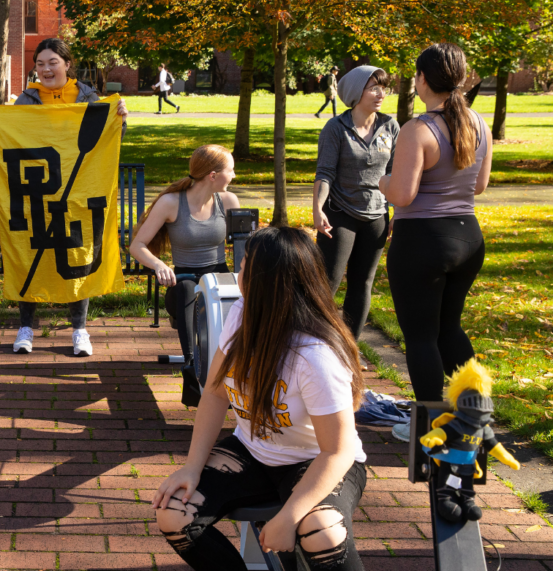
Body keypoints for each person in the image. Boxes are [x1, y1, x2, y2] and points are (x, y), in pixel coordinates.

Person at [152, 226, 367, 571]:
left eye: (245, 266)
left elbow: (337, 451)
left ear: (268, 282)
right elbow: (215, 392)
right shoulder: (242, 313)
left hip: (315, 462)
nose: (238, 273)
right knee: (174, 511)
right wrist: (191, 468)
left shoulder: (317, 356)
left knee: (322, 532)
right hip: (253, 453)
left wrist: (290, 516)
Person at [0, 37, 129, 357]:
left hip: (79, 190)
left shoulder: (87, 96)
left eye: (52, 63)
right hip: (36, 191)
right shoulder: (27, 100)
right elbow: (9, 142)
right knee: (30, 252)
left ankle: (79, 329)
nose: (45, 69)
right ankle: (26, 326)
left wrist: (120, 119)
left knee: (78, 254)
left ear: (67, 64)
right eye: (40, 64)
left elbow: (106, 140)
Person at [380, 43, 493, 443]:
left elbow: (402, 195)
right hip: (467, 237)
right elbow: (479, 185)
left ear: (422, 79)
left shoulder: (418, 129)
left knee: (422, 336)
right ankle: (477, 414)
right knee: (449, 329)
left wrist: (381, 181)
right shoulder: (478, 122)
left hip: (423, 241)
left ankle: (430, 426)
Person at [129, 144, 240, 368]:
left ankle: (232, 365)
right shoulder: (171, 203)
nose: (234, 175)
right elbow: (137, 245)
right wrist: (159, 265)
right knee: (187, 289)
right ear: (213, 175)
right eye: (231, 170)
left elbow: (244, 246)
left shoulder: (228, 201)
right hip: (183, 283)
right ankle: (192, 364)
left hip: (219, 282)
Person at [313, 66, 400, 341]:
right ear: (355, 92)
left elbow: (396, 172)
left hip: (377, 217)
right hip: (339, 214)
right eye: (373, 87)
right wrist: (317, 209)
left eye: (383, 87)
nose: (380, 93)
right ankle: (316, 342)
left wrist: (399, 210)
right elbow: (325, 172)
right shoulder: (336, 128)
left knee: (362, 283)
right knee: (327, 283)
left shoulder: (390, 126)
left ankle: (349, 347)